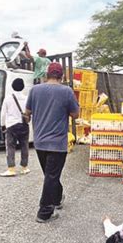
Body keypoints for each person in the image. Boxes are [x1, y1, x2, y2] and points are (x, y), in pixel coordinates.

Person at [25, 62, 80, 223]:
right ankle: (44, 212)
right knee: (51, 175)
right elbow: (75, 115)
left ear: (47, 74)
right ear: (61, 76)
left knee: (50, 175)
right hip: (57, 143)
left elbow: (27, 112)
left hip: (40, 141)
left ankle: (57, 198)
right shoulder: (66, 91)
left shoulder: (35, 90)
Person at [0, 78, 30, 177]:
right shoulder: (26, 98)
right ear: (23, 87)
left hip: (11, 125)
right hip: (24, 125)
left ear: (12, 86)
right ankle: (24, 167)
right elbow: (29, 112)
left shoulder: (8, 98)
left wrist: (2, 124)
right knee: (24, 146)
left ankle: (11, 168)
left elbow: (3, 113)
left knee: (10, 146)